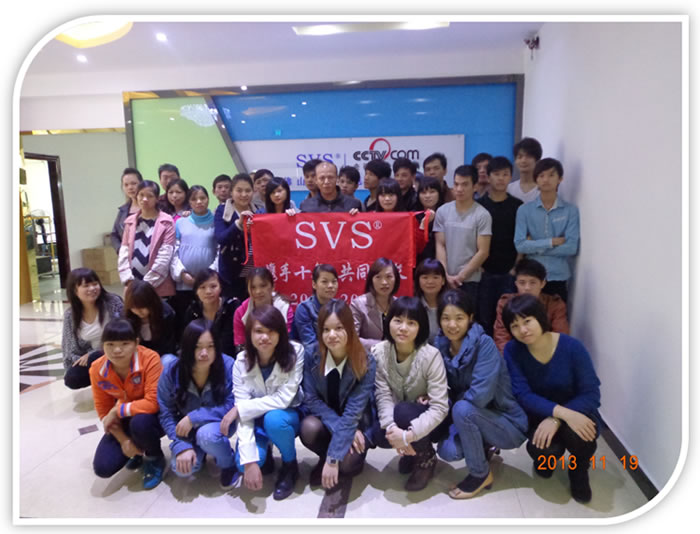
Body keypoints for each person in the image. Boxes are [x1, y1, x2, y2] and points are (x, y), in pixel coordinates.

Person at [502, 295, 601, 503]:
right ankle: (547, 460)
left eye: (527, 321)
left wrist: (557, 418)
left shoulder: (572, 347)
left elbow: (591, 393)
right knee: (543, 450)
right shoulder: (513, 350)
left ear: (540, 318)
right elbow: (522, 394)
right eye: (515, 326)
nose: (523, 330)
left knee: (581, 435)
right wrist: (556, 415)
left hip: (576, 410)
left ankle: (579, 470)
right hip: (539, 415)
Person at [433, 290, 528, 499]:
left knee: (462, 408)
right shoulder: (440, 345)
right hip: (472, 417)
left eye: (459, 318)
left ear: (470, 318)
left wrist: (454, 403)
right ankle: (484, 446)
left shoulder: (484, 344)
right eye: (446, 318)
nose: (452, 325)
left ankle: (480, 474)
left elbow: (480, 397)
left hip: (506, 422)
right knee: (448, 451)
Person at [220, 305, 305, 501]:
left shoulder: (295, 351)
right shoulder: (241, 362)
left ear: (280, 333)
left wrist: (240, 409)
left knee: (274, 420)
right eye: (259, 331)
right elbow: (244, 416)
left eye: (271, 331)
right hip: (256, 419)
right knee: (243, 464)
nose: (265, 337)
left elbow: (284, 398)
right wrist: (249, 462)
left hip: (286, 415)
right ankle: (264, 451)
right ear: (249, 334)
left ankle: (290, 465)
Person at [371, 296, 449, 491]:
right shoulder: (379, 352)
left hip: (433, 421)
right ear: (388, 322)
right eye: (398, 320)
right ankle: (411, 452)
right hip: (400, 418)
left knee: (403, 411)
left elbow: (440, 407)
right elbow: (382, 395)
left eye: (411, 323)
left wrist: (408, 436)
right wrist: (392, 430)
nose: (403, 328)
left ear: (420, 327)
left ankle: (426, 459)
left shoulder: (431, 355)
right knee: (380, 433)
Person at [300, 299, 377, 489]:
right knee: (308, 428)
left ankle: (335, 458)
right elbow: (311, 398)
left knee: (348, 465)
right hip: (326, 420)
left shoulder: (366, 360)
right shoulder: (311, 354)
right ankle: (325, 456)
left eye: (339, 328)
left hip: (356, 423)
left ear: (350, 328)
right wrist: (334, 447)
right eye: (326, 329)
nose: (332, 335)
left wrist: (334, 458)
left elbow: (354, 411)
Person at [157, 319, 238, 488]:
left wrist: (194, 417)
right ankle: (199, 451)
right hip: (187, 431)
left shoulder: (228, 365)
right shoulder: (172, 371)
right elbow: (166, 412)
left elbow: (232, 404)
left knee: (206, 436)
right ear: (187, 347)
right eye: (197, 347)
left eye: (210, 346)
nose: (204, 353)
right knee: (182, 469)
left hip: (219, 424)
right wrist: (181, 445)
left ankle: (228, 463)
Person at [89, 318, 165, 489]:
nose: (117, 350)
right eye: (110, 344)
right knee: (103, 467)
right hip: (125, 419)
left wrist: (117, 410)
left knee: (140, 423)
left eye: (124, 343)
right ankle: (136, 451)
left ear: (136, 343)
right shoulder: (96, 369)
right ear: (103, 346)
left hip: (151, 418)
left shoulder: (150, 359)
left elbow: (153, 403)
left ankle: (154, 457)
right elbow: (104, 411)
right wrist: (123, 440)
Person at [514, 158, 580, 302]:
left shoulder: (570, 210)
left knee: (557, 314)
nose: (546, 180)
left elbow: (571, 248)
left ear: (560, 179)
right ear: (536, 179)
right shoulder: (524, 210)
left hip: (558, 275)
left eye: (551, 175)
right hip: (531, 279)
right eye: (541, 175)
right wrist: (551, 242)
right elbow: (520, 245)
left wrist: (534, 247)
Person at [476, 156, 523, 336]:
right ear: (488, 177)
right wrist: (479, 267)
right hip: (484, 272)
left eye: (505, 174)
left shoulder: (518, 206)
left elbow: (521, 239)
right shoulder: (479, 206)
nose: (501, 178)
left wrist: (515, 267)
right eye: (496, 174)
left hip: (509, 271)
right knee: (485, 317)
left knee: (509, 317)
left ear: (510, 176)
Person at [434, 165, 492, 309]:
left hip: (470, 280)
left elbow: (483, 251)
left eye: (465, 184)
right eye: (456, 184)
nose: (459, 189)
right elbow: (440, 244)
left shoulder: (482, 215)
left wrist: (461, 277)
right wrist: (445, 274)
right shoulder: (442, 211)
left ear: (475, 186)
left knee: (467, 317)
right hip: (445, 279)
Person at [62, 268, 124, 389]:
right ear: (75, 290)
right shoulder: (71, 315)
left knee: (96, 358)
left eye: (95, 284)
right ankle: (102, 382)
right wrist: (79, 362)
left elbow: (126, 333)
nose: (92, 288)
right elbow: (69, 349)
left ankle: (114, 383)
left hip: (118, 350)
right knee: (72, 378)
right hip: (93, 357)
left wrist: (94, 353)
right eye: (86, 286)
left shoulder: (113, 302)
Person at [493, 259, 570, 353]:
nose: (527, 288)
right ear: (516, 284)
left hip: (546, 352)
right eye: (522, 283)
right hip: (515, 352)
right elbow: (501, 336)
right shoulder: (505, 303)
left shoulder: (555, 304)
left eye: (532, 282)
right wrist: (508, 357)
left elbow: (561, 337)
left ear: (542, 284)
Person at [118, 180, 176, 298]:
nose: (144, 199)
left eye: (149, 196)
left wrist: (147, 284)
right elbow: (123, 252)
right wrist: (129, 280)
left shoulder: (166, 221)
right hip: (132, 286)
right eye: (141, 195)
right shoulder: (130, 222)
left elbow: (165, 256)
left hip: (157, 286)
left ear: (157, 199)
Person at [170, 185, 218, 326]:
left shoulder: (217, 221)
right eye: (194, 199)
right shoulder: (180, 222)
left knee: (209, 320)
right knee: (186, 322)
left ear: (208, 199)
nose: (199, 202)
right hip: (185, 283)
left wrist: (208, 275)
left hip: (208, 282)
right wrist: (182, 273)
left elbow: (219, 252)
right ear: (189, 202)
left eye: (202, 198)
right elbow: (174, 252)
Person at [214, 173, 255, 301]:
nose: (244, 194)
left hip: (254, 273)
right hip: (230, 273)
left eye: (248, 190)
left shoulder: (259, 211)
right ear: (231, 192)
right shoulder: (222, 211)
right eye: (239, 190)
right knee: (233, 308)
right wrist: (238, 224)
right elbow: (221, 238)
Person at [182, 269, 239, 358]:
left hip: (228, 358)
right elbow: (188, 343)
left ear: (220, 288)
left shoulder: (232, 307)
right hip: (201, 357)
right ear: (196, 291)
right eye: (202, 287)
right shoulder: (192, 311)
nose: (208, 291)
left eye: (213, 286)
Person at [233, 267, 293, 350]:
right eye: (253, 287)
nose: (258, 291)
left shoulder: (284, 309)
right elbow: (241, 345)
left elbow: (286, 342)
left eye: (263, 286)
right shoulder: (240, 313)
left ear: (273, 286)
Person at [350, 257, 400, 352]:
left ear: (396, 279)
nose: (384, 282)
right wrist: (383, 346)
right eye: (378, 277)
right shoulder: (358, 305)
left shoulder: (399, 305)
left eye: (389, 277)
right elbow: (352, 338)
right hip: (367, 357)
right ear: (371, 280)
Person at [123, 279, 177, 356]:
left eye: (142, 307)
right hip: (137, 353)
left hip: (160, 353)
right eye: (133, 307)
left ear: (151, 302)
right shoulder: (128, 316)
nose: (138, 311)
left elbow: (168, 344)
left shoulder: (166, 314)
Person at [292, 264, 339, 351]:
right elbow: (310, 344)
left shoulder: (340, 307)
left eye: (334, 281)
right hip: (315, 355)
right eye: (324, 282)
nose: (330, 286)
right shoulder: (304, 309)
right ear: (314, 284)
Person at [413, 258, 447, 345]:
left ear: (443, 281)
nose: (430, 281)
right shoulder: (413, 307)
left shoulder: (450, 305)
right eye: (425, 277)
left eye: (435, 277)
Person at [110, 167, 143, 252]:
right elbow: (114, 235)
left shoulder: (151, 207)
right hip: (127, 255)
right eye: (126, 185)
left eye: (133, 183)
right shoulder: (123, 210)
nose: (130, 187)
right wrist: (120, 250)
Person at [415, 176, 445, 264]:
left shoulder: (446, 214)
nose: (427, 196)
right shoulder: (413, 216)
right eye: (423, 192)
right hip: (419, 264)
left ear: (439, 193)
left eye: (432, 192)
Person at [507, 137, 542, 204]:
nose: (523, 161)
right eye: (519, 157)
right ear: (515, 161)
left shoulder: (543, 189)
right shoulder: (509, 189)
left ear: (537, 161)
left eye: (528, 156)